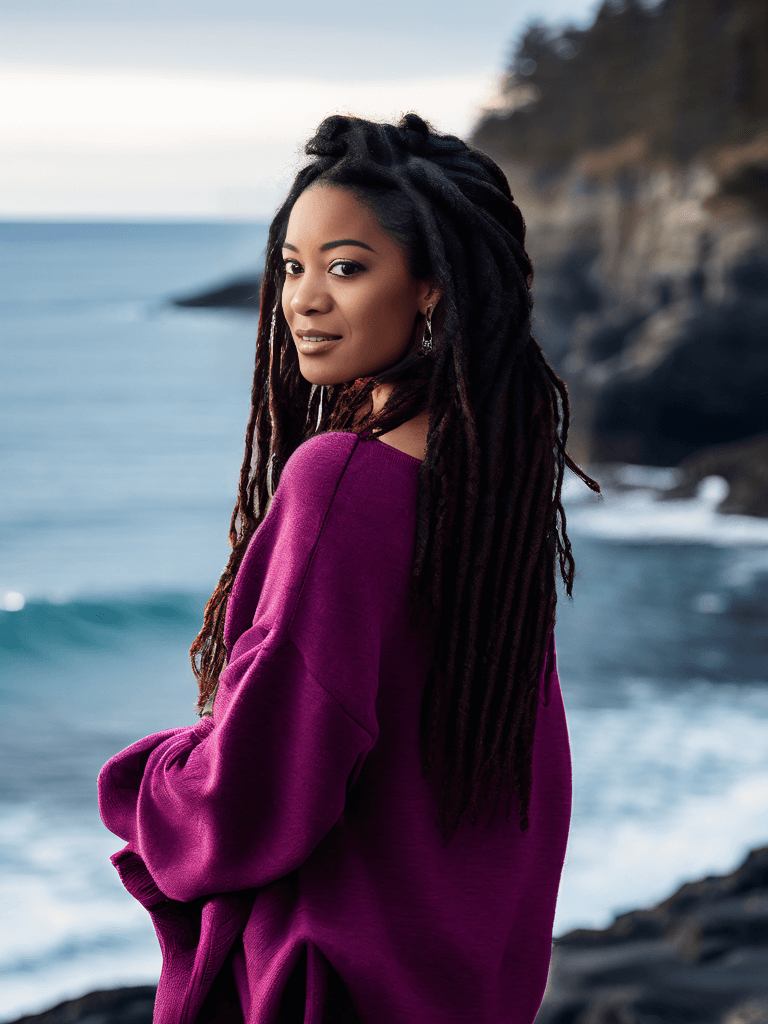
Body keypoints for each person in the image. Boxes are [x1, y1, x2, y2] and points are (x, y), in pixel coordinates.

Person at [98, 112, 600, 1024]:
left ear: (431, 290)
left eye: (346, 267)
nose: (303, 300)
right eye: (291, 267)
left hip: (328, 989)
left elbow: (256, 791)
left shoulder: (340, 479)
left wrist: (145, 786)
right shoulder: (483, 490)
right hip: (463, 988)